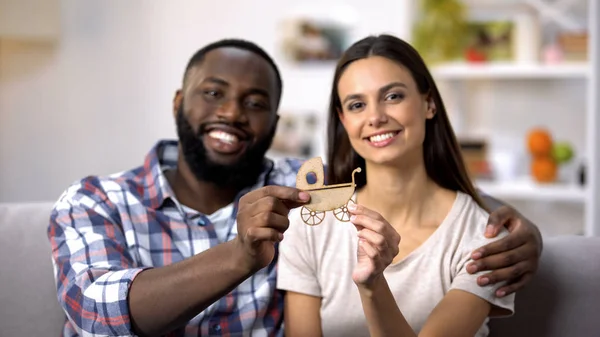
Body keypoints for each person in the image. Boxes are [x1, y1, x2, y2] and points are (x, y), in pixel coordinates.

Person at [47, 38, 541, 337]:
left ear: (275, 121)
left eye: (255, 102)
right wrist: (241, 254)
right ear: (180, 101)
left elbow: (405, 182)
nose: (233, 113)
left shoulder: (302, 193)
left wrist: (522, 230)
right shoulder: (96, 202)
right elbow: (98, 316)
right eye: (213, 93)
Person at [277, 34, 529, 337]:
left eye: (393, 96)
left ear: (429, 104)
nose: (376, 117)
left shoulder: (483, 238)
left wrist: (372, 287)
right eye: (357, 105)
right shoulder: (309, 228)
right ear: (344, 121)